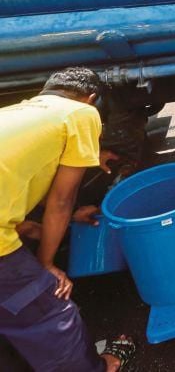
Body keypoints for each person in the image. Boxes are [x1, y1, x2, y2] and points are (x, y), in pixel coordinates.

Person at [0, 68, 134, 371]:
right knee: (49, 313)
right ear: (92, 98)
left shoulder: (17, 112)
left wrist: (36, 225)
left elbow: (16, 178)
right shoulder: (81, 114)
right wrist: (46, 265)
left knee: (9, 320)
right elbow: (61, 200)